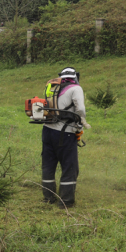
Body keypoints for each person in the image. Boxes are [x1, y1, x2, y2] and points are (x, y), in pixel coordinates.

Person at [41, 67, 87, 207]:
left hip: (47, 130)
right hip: (64, 132)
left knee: (48, 165)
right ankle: (66, 202)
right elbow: (80, 109)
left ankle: (49, 198)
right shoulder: (75, 88)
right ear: (75, 77)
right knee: (69, 166)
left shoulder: (53, 87)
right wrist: (81, 123)